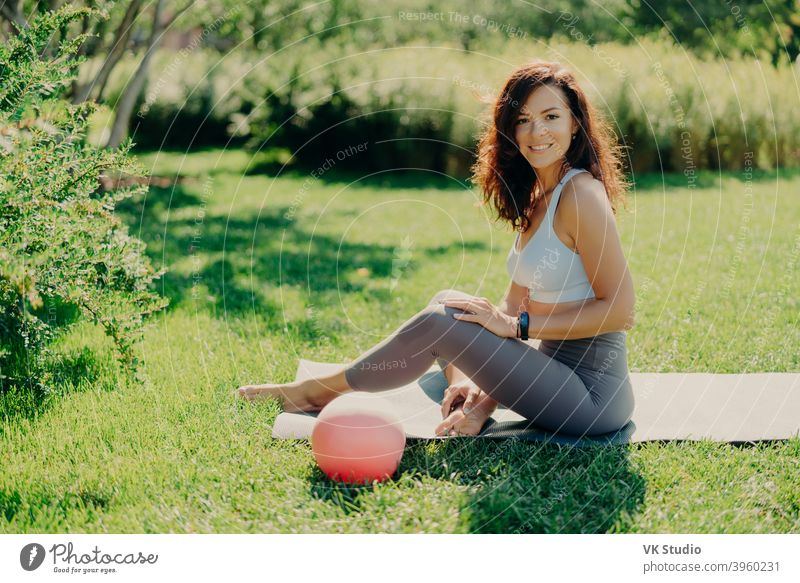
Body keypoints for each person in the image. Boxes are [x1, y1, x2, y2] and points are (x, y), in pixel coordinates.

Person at [237, 60, 636, 439]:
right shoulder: (539, 195)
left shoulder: (582, 195)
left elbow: (620, 311)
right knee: (452, 305)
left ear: (575, 123)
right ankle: (459, 392)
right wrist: (481, 403)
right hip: (549, 371)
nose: (537, 132)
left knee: (440, 323)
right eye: (523, 120)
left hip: (592, 399)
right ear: (510, 132)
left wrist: (516, 328)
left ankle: (317, 391)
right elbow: (512, 308)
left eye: (551, 117)